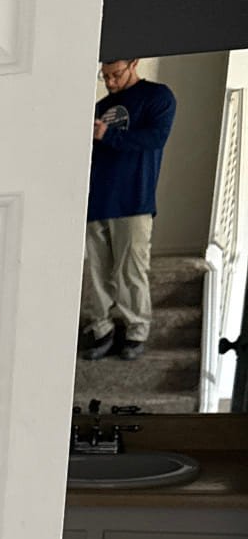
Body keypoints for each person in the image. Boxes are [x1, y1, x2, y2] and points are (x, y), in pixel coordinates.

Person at [79, 58, 176, 360]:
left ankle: (136, 330)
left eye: (116, 74)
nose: (110, 82)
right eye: (105, 76)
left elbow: (156, 138)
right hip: (96, 200)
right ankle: (102, 328)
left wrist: (108, 134)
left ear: (134, 63)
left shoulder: (157, 97)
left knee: (131, 270)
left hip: (134, 199)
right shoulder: (99, 107)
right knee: (97, 271)